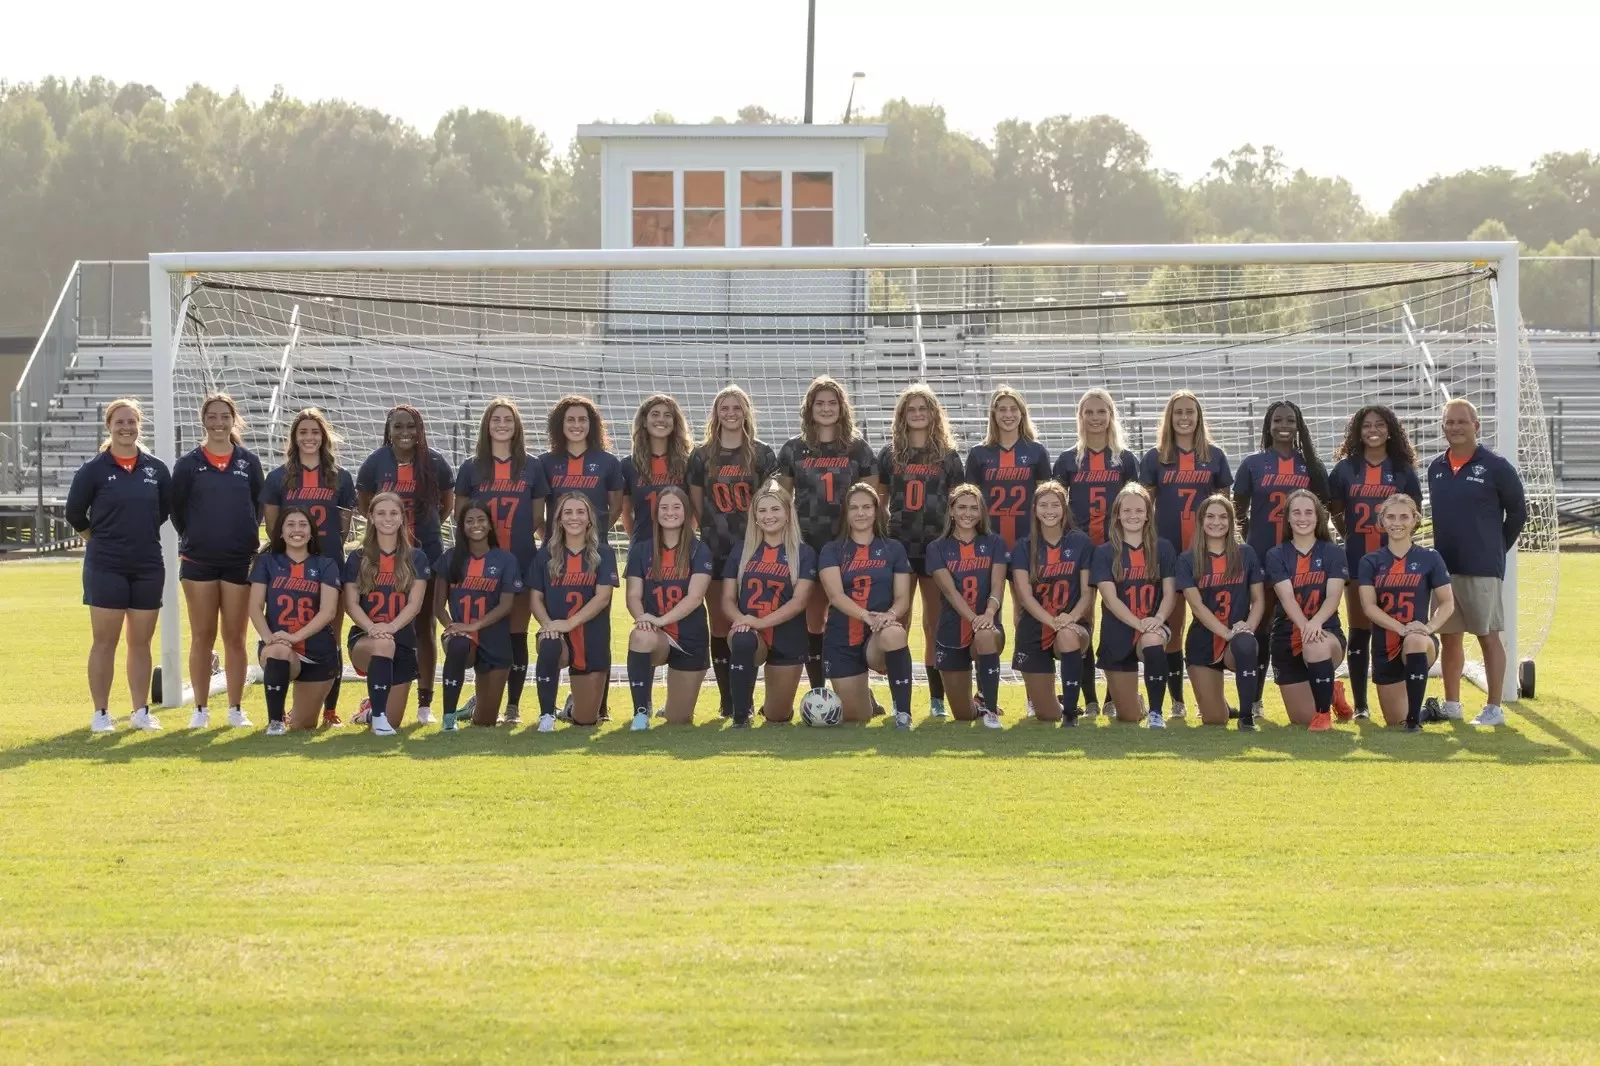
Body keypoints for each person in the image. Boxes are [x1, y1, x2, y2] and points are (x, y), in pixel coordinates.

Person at [67, 398, 172, 733]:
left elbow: (164, 511)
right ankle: (101, 713)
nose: (126, 428)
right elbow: (74, 513)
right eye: (120, 422)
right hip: (106, 566)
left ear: (139, 425)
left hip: (147, 565)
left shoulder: (156, 469)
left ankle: (140, 711)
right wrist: (97, 540)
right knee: (105, 642)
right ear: (108, 426)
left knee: (140, 642)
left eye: (132, 422)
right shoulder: (93, 470)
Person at [1426, 397, 1527, 726]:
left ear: (1476, 426)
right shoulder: (1435, 468)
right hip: (1443, 568)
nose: (1455, 427)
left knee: (1487, 635)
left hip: (1482, 568)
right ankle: (1453, 704)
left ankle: (1494, 708)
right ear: (1443, 428)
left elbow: (1518, 514)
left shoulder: (1496, 467)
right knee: (1450, 637)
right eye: (1449, 422)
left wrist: (1495, 547)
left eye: (1461, 422)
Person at [778, 375, 879, 693]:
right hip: (808, 543)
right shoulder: (794, 449)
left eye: (832, 402)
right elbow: (782, 503)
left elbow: (872, 498)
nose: (825, 408)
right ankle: (819, 690)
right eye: (819, 403)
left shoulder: (858, 448)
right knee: (814, 619)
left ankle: (857, 689)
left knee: (852, 613)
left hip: (848, 545)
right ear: (809, 409)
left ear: (842, 407)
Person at [171, 392, 264, 730]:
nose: (219, 422)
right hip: (198, 561)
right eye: (212, 416)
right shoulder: (188, 464)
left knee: (235, 637)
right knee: (202, 636)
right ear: (203, 419)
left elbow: (258, 506)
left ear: (233, 419)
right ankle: (200, 708)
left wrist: (240, 536)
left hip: (239, 561)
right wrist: (198, 536)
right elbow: (177, 511)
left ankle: (236, 708)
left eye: (225, 416)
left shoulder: (248, 462)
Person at [357, 404, 453, 724]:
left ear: (420, 428)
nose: (405, 432)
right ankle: (381, 695)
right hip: (384, 555)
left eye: (410, 426)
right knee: (386, 622)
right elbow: (365, 504)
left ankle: (425, 702)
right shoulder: (374, 462)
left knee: (424, 627)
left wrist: (418, 535)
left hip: (427, 555)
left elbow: (446, 507)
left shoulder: (436, 462)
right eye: (398, 426)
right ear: (388, 430)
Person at [1140, 390, 1233, 722]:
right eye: (1178, 411)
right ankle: (1177, 700)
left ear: (1199, 416)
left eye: (1190, 412)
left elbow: (1225, 508)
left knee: (1212, 620)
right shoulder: (1155, 457)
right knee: (1173, 625)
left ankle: (1213, 700)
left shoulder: (1215, 456)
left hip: (1206, 554)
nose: (1184, 417)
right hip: (1168, 552)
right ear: (1169, 416)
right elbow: (1144, 508)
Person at [455, 397, 549, 724]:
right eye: (496, 419)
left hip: (521, 559)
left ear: (517, 425)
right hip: (480, 565)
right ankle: (483, 699)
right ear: (487, 425)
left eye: (508, 419)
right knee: (488, 633)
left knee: (516, 633)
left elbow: (538, 516)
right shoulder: (471, 466)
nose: (502, 424)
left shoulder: (532, 465)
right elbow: (460, 515)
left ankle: (512, 705)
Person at [1233, 399, 1331, 714]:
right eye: (1277, 420)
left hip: (1302, 559)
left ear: (1299, 424)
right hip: (1262, 556)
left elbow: (1324, 509)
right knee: (1260, 626)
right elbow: (1238, 511)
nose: (1284, 426)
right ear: (1268, 425)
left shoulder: (1312, 466)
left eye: (1290, 420)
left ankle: (1316, 693)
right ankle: (1256, 699)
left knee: (1302, 623)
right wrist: (1253, 539)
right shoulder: (1252, 463)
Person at [688, 385, 779, 718]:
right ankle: (729, 701)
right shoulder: (701, 455)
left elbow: (774, 502)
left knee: (755, 621)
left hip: (755, 550)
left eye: (736, 407)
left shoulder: (762, 453)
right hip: (716, 548)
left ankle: (757, 696)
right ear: (716, 414)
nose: (730, 413)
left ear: (746, 412)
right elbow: (697, 506)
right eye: (724, 408)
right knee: (721, 625)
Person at [875, 383, 966, 718]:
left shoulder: (948, 456)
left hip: (935, 547)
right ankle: (902, 699)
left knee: (934, 622)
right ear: (902, 415)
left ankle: (937, 697)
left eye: (923, 409)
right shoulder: (889, 455)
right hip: (899, 545)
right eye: (910, 409)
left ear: (933, 415)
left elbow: (961, 504)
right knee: (899, 619)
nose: (917, 414)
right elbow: (878, 501)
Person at [263, 408, 357, 726]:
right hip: (288, 568)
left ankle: (329, 709)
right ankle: (285, 707)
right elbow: (274, 527)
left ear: (324, 437)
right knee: (288, 630)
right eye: (302, 432)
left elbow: (343, 528)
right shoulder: (278, 477)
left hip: (330, 566)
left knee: (330, 635)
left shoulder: (340, 477)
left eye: (314, 432)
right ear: (294, 438)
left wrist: (324, 552)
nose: (309, 438)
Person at [1328, 405, 1422, 722]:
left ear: (1390, 429)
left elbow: (1414, 516)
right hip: (1357, 562)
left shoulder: (1403, 470)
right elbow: (1336, 511)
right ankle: (1361, 705)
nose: (1373, 430)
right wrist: (1353, 535)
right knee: (1360, 631)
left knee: (1395, 630)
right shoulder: (1344, 469)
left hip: (1396, 564)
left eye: (1380, 424)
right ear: (1357, 431)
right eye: (1366, 425)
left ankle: (1402, 697)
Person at [1054, 387, 1138, 718]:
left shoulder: (1126, 459)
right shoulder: (1067, 460)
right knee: (1082, 617)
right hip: (1080, 550)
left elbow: (1138, 506)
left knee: (1118, 618)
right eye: (1089, 412)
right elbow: (1053, 509)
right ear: (1080, 417)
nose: (1095, 417)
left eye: (1101, 411)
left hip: (1118, 549)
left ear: (1111, 416)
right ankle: (1088, 698)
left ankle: (1112, 696)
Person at [818, 483, 915, 727]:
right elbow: (836, 596)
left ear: (877, 510)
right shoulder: (831, 550)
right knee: (856, 717)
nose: (860, 513)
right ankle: (866, 698)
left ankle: (903, 713)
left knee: (895, 632)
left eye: (866, 507)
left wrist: (889, 615)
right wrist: (866, 616)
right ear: (846, 513)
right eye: (854, 508)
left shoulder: (893, 549)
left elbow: (903, 596)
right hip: (842, 637)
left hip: (878, 636)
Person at [1357, 494, 1456, 731]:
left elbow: (1447, 602)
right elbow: (1368, 606)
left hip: (1420, 641)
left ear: (1414, 520)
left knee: (1413, 639)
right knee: (1393, 720)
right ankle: (1426, 711)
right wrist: (1399, 628)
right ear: (1382, 521)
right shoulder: (1370, 561)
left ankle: (1413, 723)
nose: (1397, 522)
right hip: (1385, 643)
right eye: (1390, 517)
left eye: (1404, 516)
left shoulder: (1430, 557)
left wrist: (1428, 628)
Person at [722, 480, 817, 726]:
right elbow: (727, 600)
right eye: (762, 511)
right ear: (754, 517)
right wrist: (742, 620)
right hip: (750, 632)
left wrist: (760, 621)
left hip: (788, 637)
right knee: (742, 639)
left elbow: (799, 602)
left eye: (775, 509)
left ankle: (771, 706)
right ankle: (740, 717)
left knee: (778, 716)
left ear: (787, 513)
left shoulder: (804, 553)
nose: (768, 516)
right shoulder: (742, 550)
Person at [343, 492, 432, 736]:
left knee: (396, 720)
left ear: (402, 518)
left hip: (401, 639)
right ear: (370, 517)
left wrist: (391, 627)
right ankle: (378, 719)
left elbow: (415, 604)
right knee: (382, 645)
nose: (387, 518)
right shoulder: (358, 557)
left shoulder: (416, 557)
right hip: (366, 638)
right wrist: (373, 629)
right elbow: (351, 604)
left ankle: (372, 710)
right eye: (381, 513)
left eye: (393, 513)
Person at [624, 486, 713, 728]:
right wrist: (643, 617)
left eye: (676, 507)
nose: (670, 512)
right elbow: (632, 594)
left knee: (679, 719)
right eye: (664, 507)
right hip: (657, 636)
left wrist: (660, 620)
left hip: (689, 638)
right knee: (640, 636)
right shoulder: (642, 549)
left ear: (686, 512)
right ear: (656, 513)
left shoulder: (699, 549)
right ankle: (641, 712)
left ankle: (671, 707)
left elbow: (695, 597)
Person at [1090, 484, 1179, 728]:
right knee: (1127, 717)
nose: (1133, 516)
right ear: (1117, 514)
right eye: (1126, 510)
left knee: (1152, 640)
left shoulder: (1163, 548)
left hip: (1154, 624)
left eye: (1139, 510)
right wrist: (1139, 623)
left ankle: (1156, 713)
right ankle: (1136, 703)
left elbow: (1170, 593)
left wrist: (1158, 619)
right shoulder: (1105, 552)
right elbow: (1110, 599)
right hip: (1118, 630)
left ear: (1148, 514)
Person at [247, 507, 342, 733]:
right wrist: (269, 639)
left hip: (317, 651)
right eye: (290, 524)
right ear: (280, 532)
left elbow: (328, 612)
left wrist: (294, 637)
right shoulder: (266, 562)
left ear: (311, 533)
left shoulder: (326, 565)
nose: (296, 530)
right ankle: (275, 722)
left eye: (302, 525)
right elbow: (254, 606)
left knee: (303, 726)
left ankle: (294, 714)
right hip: (279, 645)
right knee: (278, 651)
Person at [528, 493, 618, 730]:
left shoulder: (604, 553)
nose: (574, 518)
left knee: (586, 720)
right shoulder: (546, 554)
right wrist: (548, 624)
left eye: (580, 512)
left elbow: (603, 597)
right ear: (558, 519)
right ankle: (546, 715)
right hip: (556, 631)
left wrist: (569, 623)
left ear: (589, 519)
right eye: (567, 512)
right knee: (549, 644)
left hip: (592, 636)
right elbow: (535, 597)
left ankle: (570, 708)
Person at [1174, 495, 1265, 730]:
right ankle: (1220, 705)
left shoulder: (1246, 554)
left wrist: (1248, 628)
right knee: (1215, 719)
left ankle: (1246, 717)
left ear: (1232, 521)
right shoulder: (1187, 559)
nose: (1217, 522)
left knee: (1246, 644)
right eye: (1211, 516)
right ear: (1201, 520)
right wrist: (1227, 634)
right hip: (1203, 640)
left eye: (1223, 517)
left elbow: (1258, 600)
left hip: (1237, 636)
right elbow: (1197, 606)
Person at [1008, 481, 1094, 725]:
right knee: (1047, 715)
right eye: (1043, 505)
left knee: (1067, 635)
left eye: (1055, 504)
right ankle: (1057, 703)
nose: (1050, 510)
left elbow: (1088, 592)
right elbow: (1024, 595)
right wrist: (1051, 621)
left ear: (1064, 509)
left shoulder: (1080, 542)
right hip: (1035, 626)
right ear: (1034, 509)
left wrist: (1071, 618)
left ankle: (1070, 714)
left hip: (1072, 622)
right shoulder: (1023, 547)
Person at [433, 501, 524, 730]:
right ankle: (448, 718)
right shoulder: (451, 558)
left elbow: (506, 605)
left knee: (485, 722)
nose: (476, 525)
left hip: (494, 636)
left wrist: (475, 626)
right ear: (462, 526)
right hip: (460, 635)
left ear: (490, 525)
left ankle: (476, 708)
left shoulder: (505, 560)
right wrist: (452, 626)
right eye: (470, 521)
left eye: (481, 520)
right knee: (458, 646)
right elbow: (438, 606)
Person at [1264, 490, 1348, 730]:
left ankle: (1323, 715)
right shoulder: (1276, 554)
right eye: (1296, 512)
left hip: (1326, 634)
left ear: (1319, 517)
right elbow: (1287, 597)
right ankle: (1331, 692)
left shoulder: (1333, 552)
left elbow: (1333, 597)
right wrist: (1304, 625)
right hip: (1286, 637)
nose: (1303, 518)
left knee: (1314, 643)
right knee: (1301, 718)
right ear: (1288, 519)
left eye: (1309, 512)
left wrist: (1315, 624)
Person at [927, 484, 1009, 728]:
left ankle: (990, 709)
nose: (968, 513)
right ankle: (977, 707)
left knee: (985, 635)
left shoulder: (995, 543)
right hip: (952, 630)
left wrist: (989, 615)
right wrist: (974, 618)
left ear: (982, 512)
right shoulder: (937, 548)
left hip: (987, 625)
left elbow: (998, 587)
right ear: (951, 510)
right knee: (963, 715)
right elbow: (950, 593)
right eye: (961, 507)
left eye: (974, 508)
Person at [965, 385, 1051, 551]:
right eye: (1002, 410)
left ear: (1022, 413)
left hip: (1028, 534)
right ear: (993, 414)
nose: (1008, 415)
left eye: (1013, 409)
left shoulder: (1037, 451)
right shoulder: (978, 453)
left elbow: (1046, 497)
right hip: (987, 534)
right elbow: (969, 499)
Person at [539, 394, 624, 538]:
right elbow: (536, 514)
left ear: (592, 424)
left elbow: (616, 508)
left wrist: (597, 534)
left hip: (595, 549)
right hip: (555, 549)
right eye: (570, 420)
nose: (577, 425)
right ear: (560, 423)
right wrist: (550, 539)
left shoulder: (609, 462)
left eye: (583, 420)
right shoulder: (544, 462)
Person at [620, 393, 693, 540]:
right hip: (642, 543)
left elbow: (695, 510)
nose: (661, 419)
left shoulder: (688, 463)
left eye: (667, 415)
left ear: (675, 422)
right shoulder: (628, 465)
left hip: (680, 545)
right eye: (655, 414)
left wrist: (685, 539)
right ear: (644, 421)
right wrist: (639, 543)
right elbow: (626, 513)